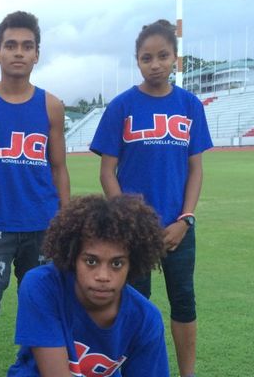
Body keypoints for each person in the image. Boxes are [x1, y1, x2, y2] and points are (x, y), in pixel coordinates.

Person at [90, 19, 213, 377]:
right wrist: (130, 221)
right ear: (137, 61)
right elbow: (106, 173)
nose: (155, 63)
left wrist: (185, 219)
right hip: (132, 232)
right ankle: (130, 370)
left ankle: (187, 373)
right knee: (131, 304)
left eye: (163, 56)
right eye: (147, 57)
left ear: (176, 59)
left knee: (183, 303)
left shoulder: (190, 105)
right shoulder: (122, 106)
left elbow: (195, 170)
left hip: (178, 230)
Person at [0, 11, 70, 376]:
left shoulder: (51, 105)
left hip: (44, 225)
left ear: (37, 54)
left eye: (27, 46)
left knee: (43, 307)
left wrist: (66, 224)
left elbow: (58, 168)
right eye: (10, 45)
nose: (18, 53)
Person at [8, 194, 169, 376]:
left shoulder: (145, 319)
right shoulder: (43, 285)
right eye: (91, 261)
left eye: (117, 264)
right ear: (73, 258)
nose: (103, 276)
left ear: (132, 264)